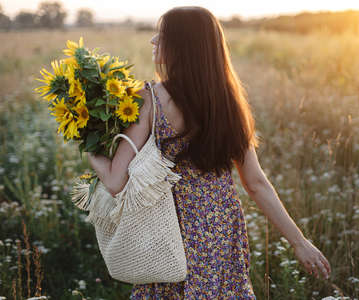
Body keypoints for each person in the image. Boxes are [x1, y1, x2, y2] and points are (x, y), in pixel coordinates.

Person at [87, 5, 331, 299]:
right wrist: (299, 242)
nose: (153, 41)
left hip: (170, 230)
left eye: (162, 35)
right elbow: (255, 183)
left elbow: (116, 182)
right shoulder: (230, 103)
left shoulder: (149, 99)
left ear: (183, 46)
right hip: (220, 229)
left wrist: (90, 147)